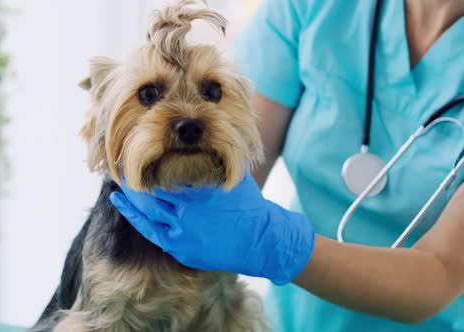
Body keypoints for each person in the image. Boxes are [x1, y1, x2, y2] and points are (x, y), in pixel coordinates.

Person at [109, 0, 464, 331]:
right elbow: (235, 157)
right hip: (294, 318)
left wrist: (275, 243)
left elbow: (442, 273)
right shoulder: (313, 7)